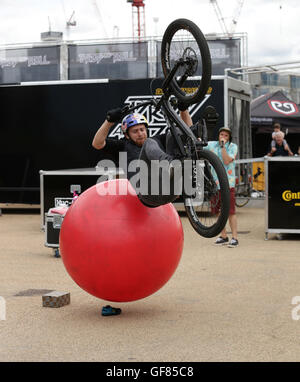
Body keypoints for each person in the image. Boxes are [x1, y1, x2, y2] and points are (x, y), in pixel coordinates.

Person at [92, 104, 193, 207]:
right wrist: (109, 122)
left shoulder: (156, 141)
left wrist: (183, 109)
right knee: (149, 142)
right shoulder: (122, 147)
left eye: (142, 129)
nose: (140, 134)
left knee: (175, 134)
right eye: (135, 131)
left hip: (170, 191)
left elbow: (187, 133)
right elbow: (97, 144)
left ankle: (179, 170)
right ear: (127, 135)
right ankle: (172, 164)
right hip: (147, 194)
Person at [205, 127, 239, 248]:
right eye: (221, 134)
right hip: (215, 184)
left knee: (230, 211)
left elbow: (226, 161)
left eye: (225, 135)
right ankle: (223, 236)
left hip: (228, 184)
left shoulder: (233, 147)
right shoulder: (212, 145)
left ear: (229, 137)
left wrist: (223, 146)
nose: (223, 137)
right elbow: (200, 145)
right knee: (218, 211)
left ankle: (235, 237)